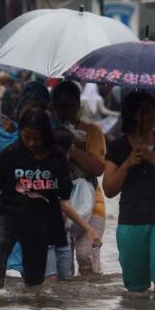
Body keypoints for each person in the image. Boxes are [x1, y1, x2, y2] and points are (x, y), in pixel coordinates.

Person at [0, 108, 101, 290]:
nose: (32, 143)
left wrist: (86, 228)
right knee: (0, 251)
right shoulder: (10, 155)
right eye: (27, 137)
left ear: (46, 135)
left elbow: (64, 196)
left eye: (37, 138)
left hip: (39, 221)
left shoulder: (56, 156)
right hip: (8, 214)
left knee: (34, 282)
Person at [103, 92, 155, 294]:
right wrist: (127, 164)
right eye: (147, 112)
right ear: (133, 115)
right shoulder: (118, 146)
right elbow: (109, 189)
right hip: (131, 221)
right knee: (135, 288)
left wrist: (154, 158)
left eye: (154, 111)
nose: (153, 116)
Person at [52, 81, 108, 275]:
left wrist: (73, 149)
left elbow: (99, 168)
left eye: (69, 105)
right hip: (58, 203)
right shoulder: (47, 132)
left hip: (91, 201)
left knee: (86, 256)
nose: (64, 111)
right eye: (60, 105)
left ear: (78, 106)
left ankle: (87, 303)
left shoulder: (92, 131)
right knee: (62, 263)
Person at [45, 127, 75, 282]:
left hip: (61, 232)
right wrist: (89, 229)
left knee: (60, 281)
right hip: (48, 233)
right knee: (54, 280)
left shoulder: (62, 171)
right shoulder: (47, 171)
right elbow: (64, 205)